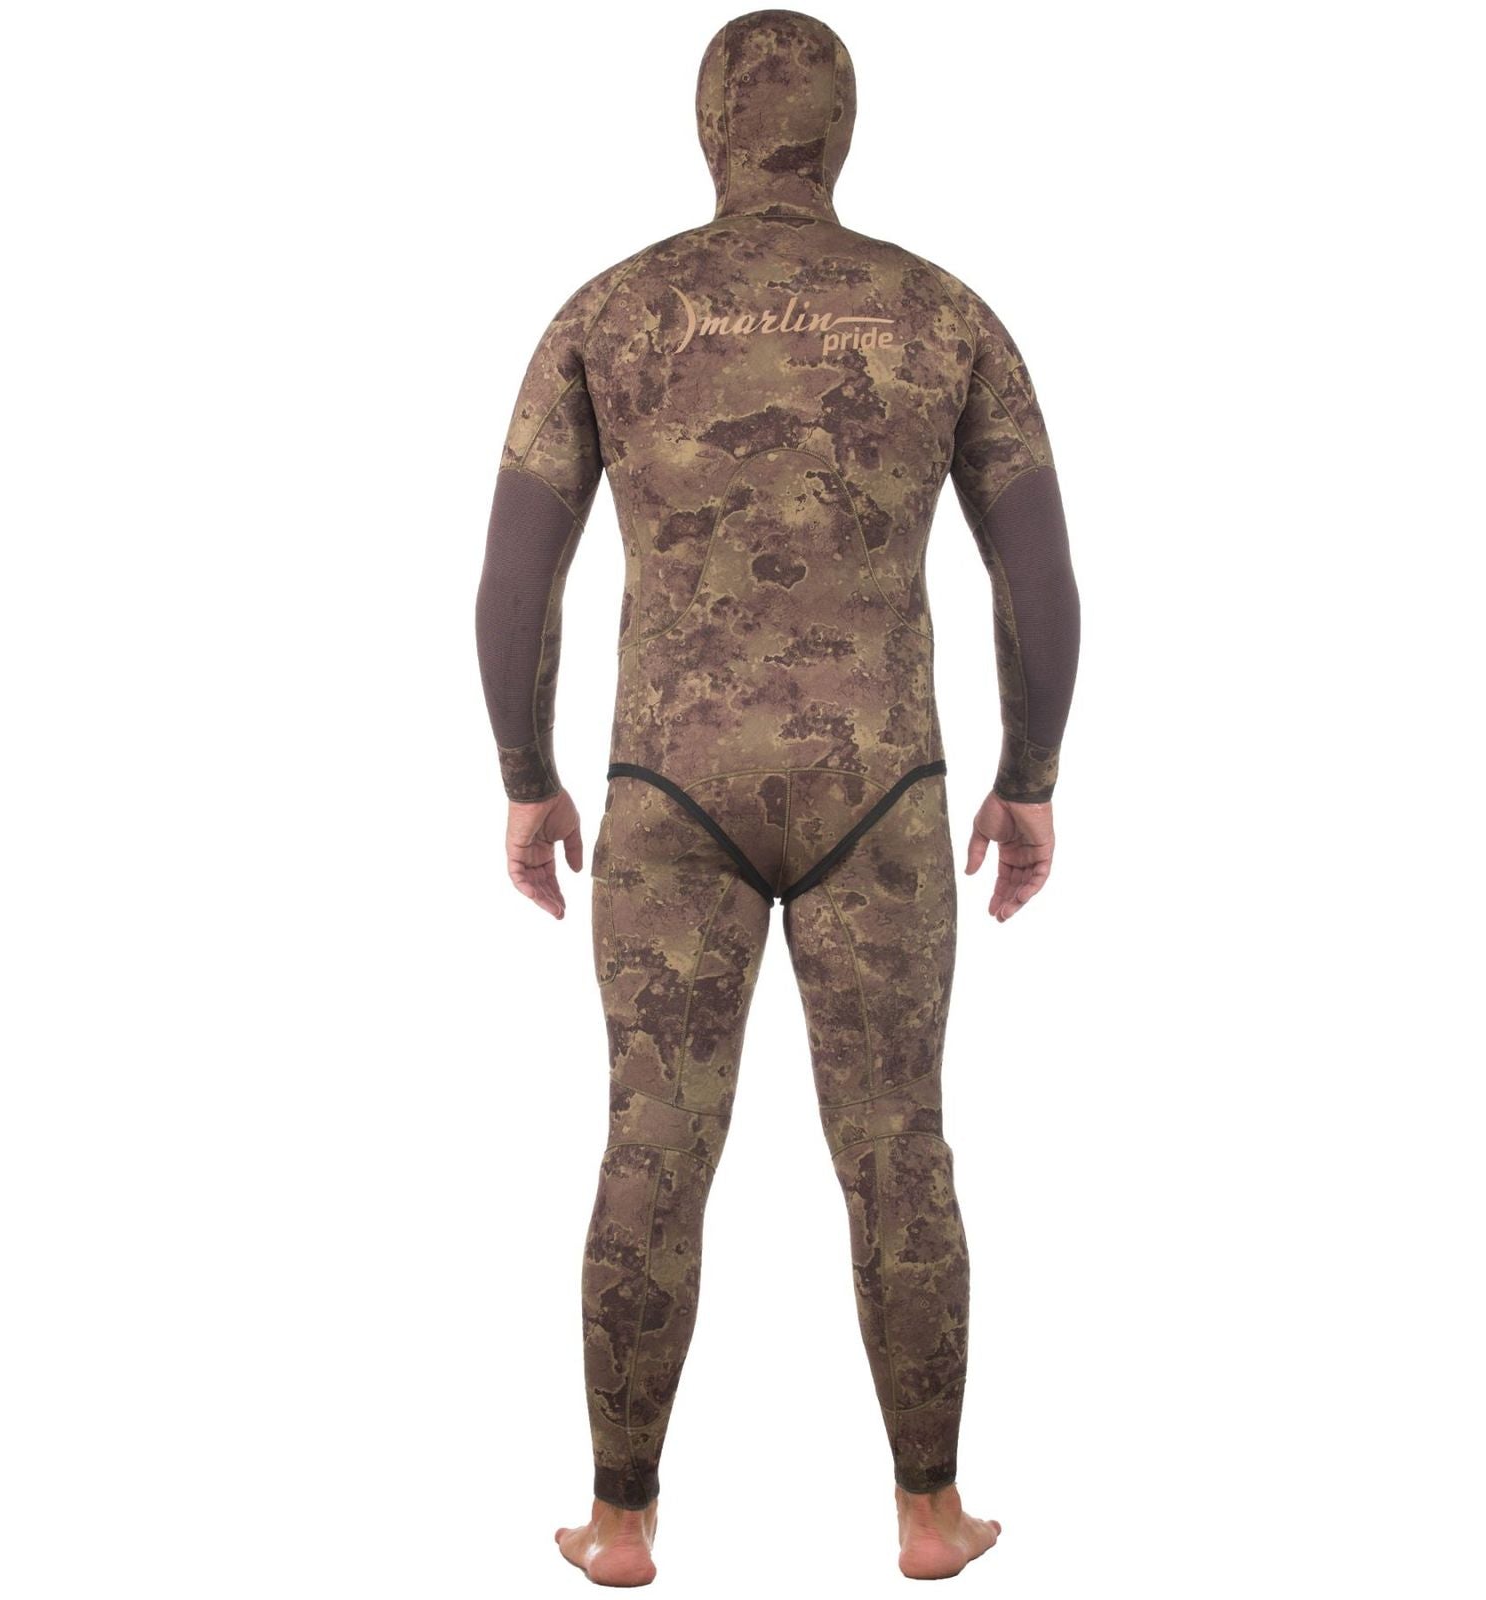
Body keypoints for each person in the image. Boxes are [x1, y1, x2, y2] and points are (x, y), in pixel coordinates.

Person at [475, 10, 1080, 1584]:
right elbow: (1040, 582)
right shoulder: (942, 313)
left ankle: (620, 1521)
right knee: (900, 1149)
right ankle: (931, 1513)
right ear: (842, 130)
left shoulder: (613, 311)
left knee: (652, 1146)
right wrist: (1028, 778)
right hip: (881, 786)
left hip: (670, 787)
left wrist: (529, 778)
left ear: (710, 130)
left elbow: (514, 584)